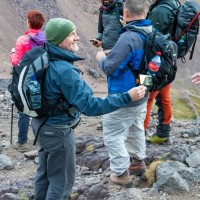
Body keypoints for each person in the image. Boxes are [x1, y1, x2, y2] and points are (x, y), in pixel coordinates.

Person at [31, 17, 146, 200]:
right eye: (71, 34)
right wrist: (127, 97)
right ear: (59, 40)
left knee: (45, 175)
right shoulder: (65, 71)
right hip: (58, 132)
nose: (77, 37)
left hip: (42, 125)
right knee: (62, 182)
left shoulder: (44, 56)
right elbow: (90, 106)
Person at [96, 0, 151, 186]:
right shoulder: (152, 32)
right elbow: (140, 57)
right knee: (136, 126)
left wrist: (101, 57)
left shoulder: (129, 38)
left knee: (112, 133)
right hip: (143, 91)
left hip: (125, 95)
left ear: (125, 13)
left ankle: (120, 173)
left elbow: (110, 68)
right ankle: (138, 161)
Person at [144, 0, 179, 144]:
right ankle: (164, 133)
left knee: (146, 99)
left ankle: (139, 135)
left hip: (154, 63)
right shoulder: (174, 4)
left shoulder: (160, 11)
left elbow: (149, 35)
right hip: (167, 62)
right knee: (164, 98)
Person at [10, 10, 45, 152]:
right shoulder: (47, 40)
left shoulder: (22, 40)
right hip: (42, 77)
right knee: (41, 108)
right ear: (41, 24)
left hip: (26, 79)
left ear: (29, 22)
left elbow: (17, 62)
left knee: (24, 108)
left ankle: (22, 142)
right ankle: (41, 139)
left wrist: (12, 53)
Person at [91, 0, 124, 130]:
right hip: (106, 51)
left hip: (120, 51)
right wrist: (98, 40)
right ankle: (112, 115)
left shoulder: (121, 7)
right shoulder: (102, 9)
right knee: (111, 83)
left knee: (118, 82)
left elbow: (129, 26)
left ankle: (117, 116)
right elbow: (101, 30)